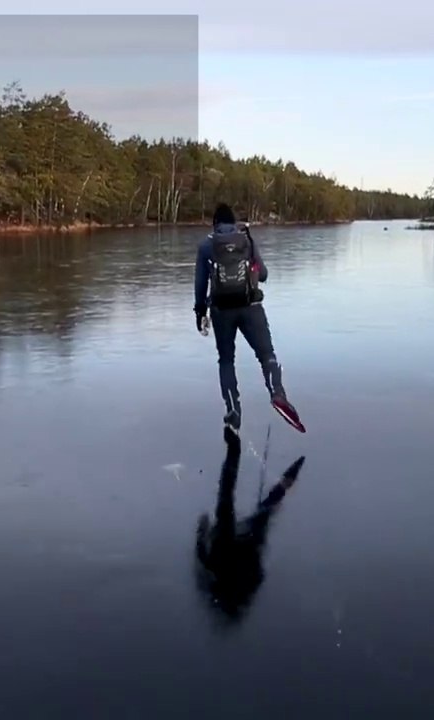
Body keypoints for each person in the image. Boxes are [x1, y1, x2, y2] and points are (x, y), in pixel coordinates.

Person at [194, 203, 304, 434]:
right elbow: (263, 275)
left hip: (222, 311)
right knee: (267, 355)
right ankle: (277, 394)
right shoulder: (247, 240)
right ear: (234, 222)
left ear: (214, 223)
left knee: (226, 360)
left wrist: (200, 312)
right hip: (251, 307)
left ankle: (233, 410)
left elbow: (201, 283)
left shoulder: (207, 245)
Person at [194, 427, 306, 623]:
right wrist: (202, 528)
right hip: (239, 548)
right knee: (246, 505)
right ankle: (287, 473)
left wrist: (203, 528)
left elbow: (203, 552)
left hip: (233, 547)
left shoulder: (223, 577)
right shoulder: (233, 581)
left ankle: (236, 451)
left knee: (246, 505)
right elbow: (257, 571)